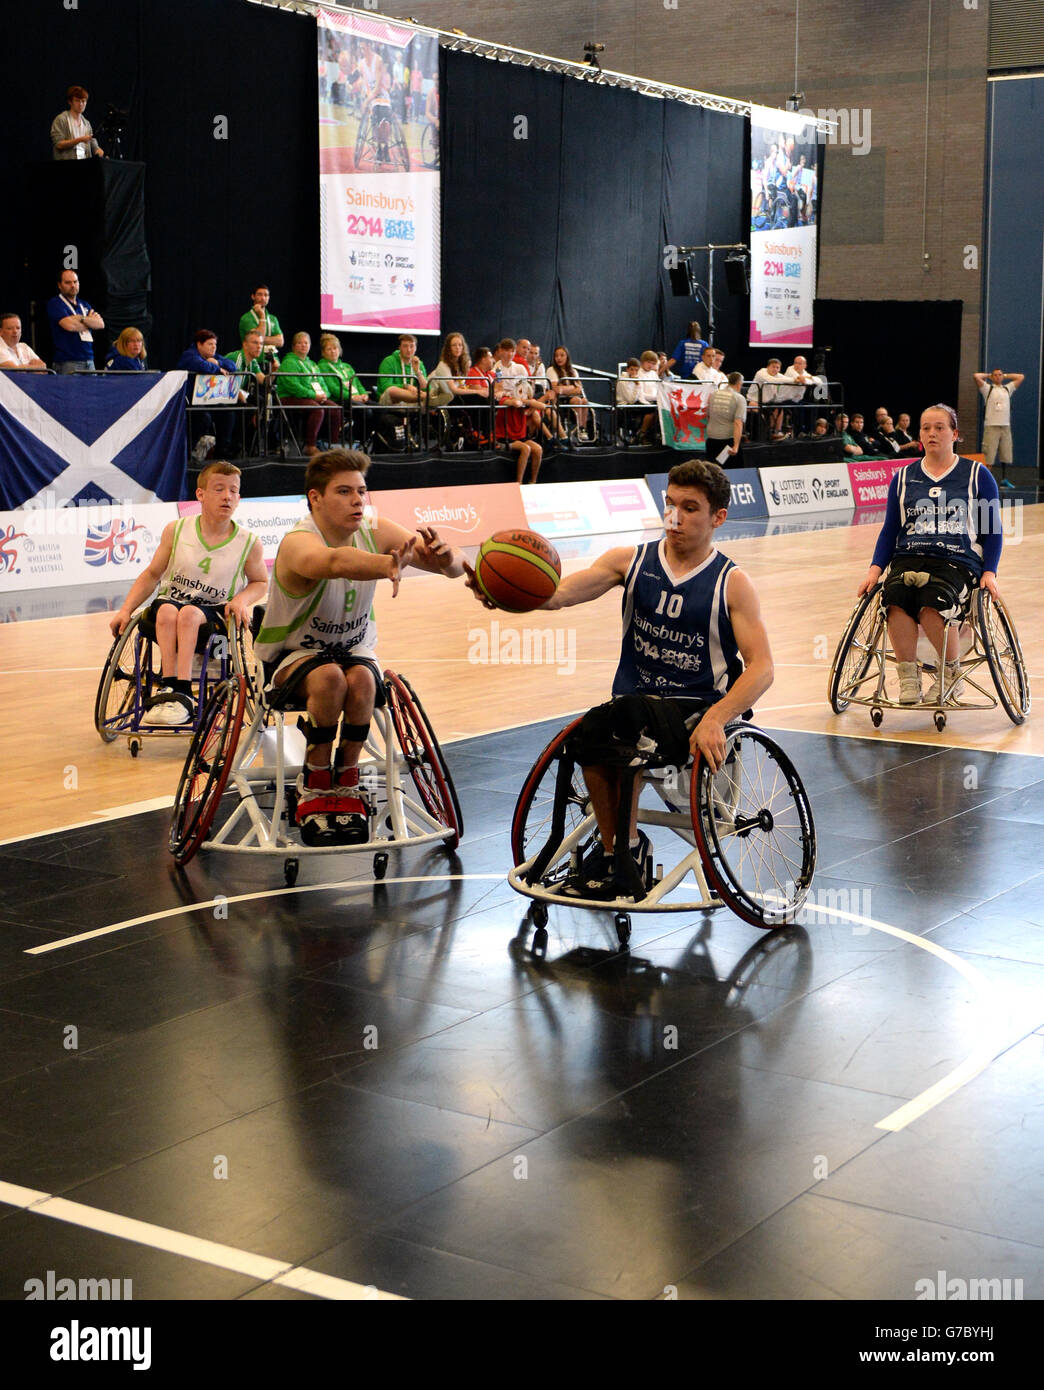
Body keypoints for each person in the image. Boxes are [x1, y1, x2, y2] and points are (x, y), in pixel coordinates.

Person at [472, 458, 774, 900]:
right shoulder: (629, 561)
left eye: (690, 508)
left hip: (694, 711)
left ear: (718, 518)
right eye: (670, 504)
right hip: (633, 708)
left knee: (622, 722)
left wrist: (717, 717)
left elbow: (762, 667)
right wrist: (502, 593)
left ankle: (622, 851)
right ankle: (620, 850)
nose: (675, 516)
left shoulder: (732, 583)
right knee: (595, 730)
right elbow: (557, 596)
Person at [253, 449, 466, 845]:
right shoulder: (298, 542)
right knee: (331, 678)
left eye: (362, 491)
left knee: (364, 683)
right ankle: (315, 780)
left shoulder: (375, 528)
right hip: (291, 657)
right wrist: (386, 566)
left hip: (354, 652)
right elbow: (333, 562)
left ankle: (347, 779)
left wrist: (448, 555)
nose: (357, 500)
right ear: (315, 497)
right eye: (344, 491)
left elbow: (453, 569)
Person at [857, 404, 1003, 705]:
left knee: (931, 604)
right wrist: (874, 569)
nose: (932, 433)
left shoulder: (978, 476)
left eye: (939, 427)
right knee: (895, 599)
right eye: (926, 428)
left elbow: (993, 530)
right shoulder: (903, 477)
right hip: (909, 555)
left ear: (955, 433)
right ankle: (909, 677)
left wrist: (990, 572)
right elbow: (889, 530)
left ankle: (950, 675)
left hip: (957, 560)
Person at [108, 461, 267, 725]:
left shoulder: (249, 542)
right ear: (201, 494)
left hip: (214, 612)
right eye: (219, 489)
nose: (227, 496)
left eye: (233, 491)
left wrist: (241, 600)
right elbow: (151, 574)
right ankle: (170, 687)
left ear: (239, 497)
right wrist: (125, 610)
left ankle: (182, 692)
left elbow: (260, 581)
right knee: (170, 610)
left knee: (190, 614)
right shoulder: (176, 529)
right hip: (170, 604)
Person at [177, 329, 239, 461]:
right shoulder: (189, 355)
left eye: (215, 344)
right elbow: (200, 365)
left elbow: (232, 366)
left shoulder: (213, 357)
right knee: (203, 418)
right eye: (210, 344)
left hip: (207, 399)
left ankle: (221, 451)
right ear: (199, 344)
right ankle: (186, 452)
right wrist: (217, 369)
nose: (214, 347)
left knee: (227, 413)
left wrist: (218, 363)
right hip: (189, 400)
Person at [277, 330, 339, 457]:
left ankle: (332, 445)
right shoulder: (289, 362)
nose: (303, 345)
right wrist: (313, 395)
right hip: (289, 397)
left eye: (306, 343)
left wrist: (324, 394)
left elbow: (322, 382)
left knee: (335, 408)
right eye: (300, 343)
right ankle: (311, 446)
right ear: (294, 346)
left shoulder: (312, 364)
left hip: (312, 396)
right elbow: (293, 386)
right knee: (317, 409)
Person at [47, 270, 105, 374]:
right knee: (71, 391)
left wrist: (81, 318)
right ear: (60, 285)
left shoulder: (84, 304)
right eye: (68, 282)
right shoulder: (56, 303)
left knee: (92, 390)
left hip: (89, 359)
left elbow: (100, 324)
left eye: (75, 282)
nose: (73, 285)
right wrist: (89, 323)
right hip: (67, 361)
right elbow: (69, 326)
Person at [973, 367, 1024, 478]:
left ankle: (1004, 479)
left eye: (999, 375)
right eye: (995, 375)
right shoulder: (987, 389)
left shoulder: (1007, 389)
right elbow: (976, 376)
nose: (998, 376)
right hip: (991, 426)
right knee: (989, 455)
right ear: (992, 377)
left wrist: (1005, 375)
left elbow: (1020, 377)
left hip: (1005, 426)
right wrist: (989, 375)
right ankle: (985, 479)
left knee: (1005, 454)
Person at [545, 345, 590, 441]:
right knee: (577, 400)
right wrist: (572, 387)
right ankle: (577, 429)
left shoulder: (573, 371)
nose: (559, 358)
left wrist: (565, 389)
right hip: (560, 400)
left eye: (562, 355)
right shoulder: (551, 370)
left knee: (584, 400)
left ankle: (582, 429)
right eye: (556, 356)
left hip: (571, 397)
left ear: (567, 357)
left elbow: (579, 389)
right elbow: (556, 389)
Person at [703, 372, 747, 466]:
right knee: (733, 473)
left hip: (711, 439)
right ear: (739, 383)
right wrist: (735, 446)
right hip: (727, 442)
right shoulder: (739, 398)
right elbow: (738, 423)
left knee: (711, 472)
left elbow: (708, 415)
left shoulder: (714, 394)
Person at [50, 86, 104, 160]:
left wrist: (98, 151)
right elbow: (58, 144)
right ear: (70, 102)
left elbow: (93, 143)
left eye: (83, 101)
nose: (81, 104)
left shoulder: (87, 123)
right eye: (77, 101)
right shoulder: (61, 119)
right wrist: (80, 140)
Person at [238, 285, 284, 359]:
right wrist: (262, 316)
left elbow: (280, 341)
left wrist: (262, 339)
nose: (263, 298)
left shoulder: (273, 318)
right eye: (260, 294)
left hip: (272, 360)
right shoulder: (246, 318)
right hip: (253, 360)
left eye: (266, 295)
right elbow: (257, 338)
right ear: (253, 296)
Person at [746, 358, 786, 439]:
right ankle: (760, 434)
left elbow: (787, 380)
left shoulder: (779, 376)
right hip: (752, 401)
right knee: (757, 407)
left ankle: (776, 432)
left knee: (779, 408)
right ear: (768, 367)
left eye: (777, 367)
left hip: (767, 402)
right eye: (773, 367)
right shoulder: (761, 373)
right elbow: (771, 380)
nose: (775, 369)